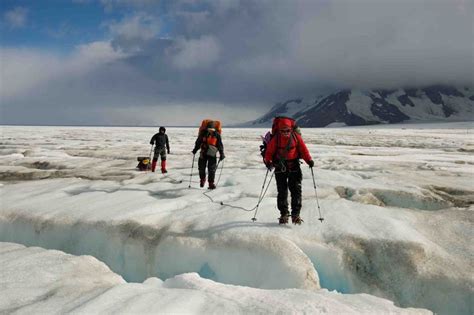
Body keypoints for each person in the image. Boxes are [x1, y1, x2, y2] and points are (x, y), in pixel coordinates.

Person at [263, 117, 314, 225]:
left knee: (296, 191)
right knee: (282, 192)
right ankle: (284, 214)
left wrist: (309, 160)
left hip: (294, 166)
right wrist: (268, 161)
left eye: (287, 130)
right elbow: (269, 152)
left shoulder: (296, 137)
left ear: (291, 129)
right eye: (282, 131)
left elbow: (303, 150)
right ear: (279, 130)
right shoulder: (276, 139)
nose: (285, 133)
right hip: (280, 167)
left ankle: (295, 215)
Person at [192, 122, 225, 189]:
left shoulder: (217, 135)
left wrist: (222, 153)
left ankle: (211, 183)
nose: (210, 130)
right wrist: (195, 149)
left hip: (212, 154)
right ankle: (202, 179)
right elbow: (198, 142)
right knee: (201, 168)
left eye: (212, 129)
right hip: (203, 153)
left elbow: (220, 145)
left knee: (212, 169)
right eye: (209, 129)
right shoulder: (203, 134)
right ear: (207, 128)